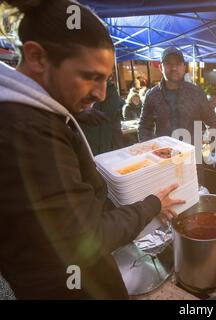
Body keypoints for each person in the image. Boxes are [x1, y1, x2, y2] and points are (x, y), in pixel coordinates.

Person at [0, 0, 184, 299]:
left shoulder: (39, 116)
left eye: (106, 80)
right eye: (90, 76)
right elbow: (86, 236)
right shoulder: (26, 132)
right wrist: (151, 205)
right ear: (37, 57)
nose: (100, 94)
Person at [138, 46, 216, 185]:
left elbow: (212, 122)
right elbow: (144, 127)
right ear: (161, 67)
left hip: (192, 159)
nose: (174, 68)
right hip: (163, 162)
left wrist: (213, 151)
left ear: (184, 67)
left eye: (178, 64)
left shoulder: (196, 93)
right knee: (167, 198)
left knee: (195, 195)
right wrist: (153, 151)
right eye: (169, 64)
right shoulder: (152, 95)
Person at [78, 79, 125, 156]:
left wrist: (120, 150)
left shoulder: (111, 89)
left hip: (107, 151)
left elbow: (114, 124)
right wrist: (77, 112)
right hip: (85, 150)